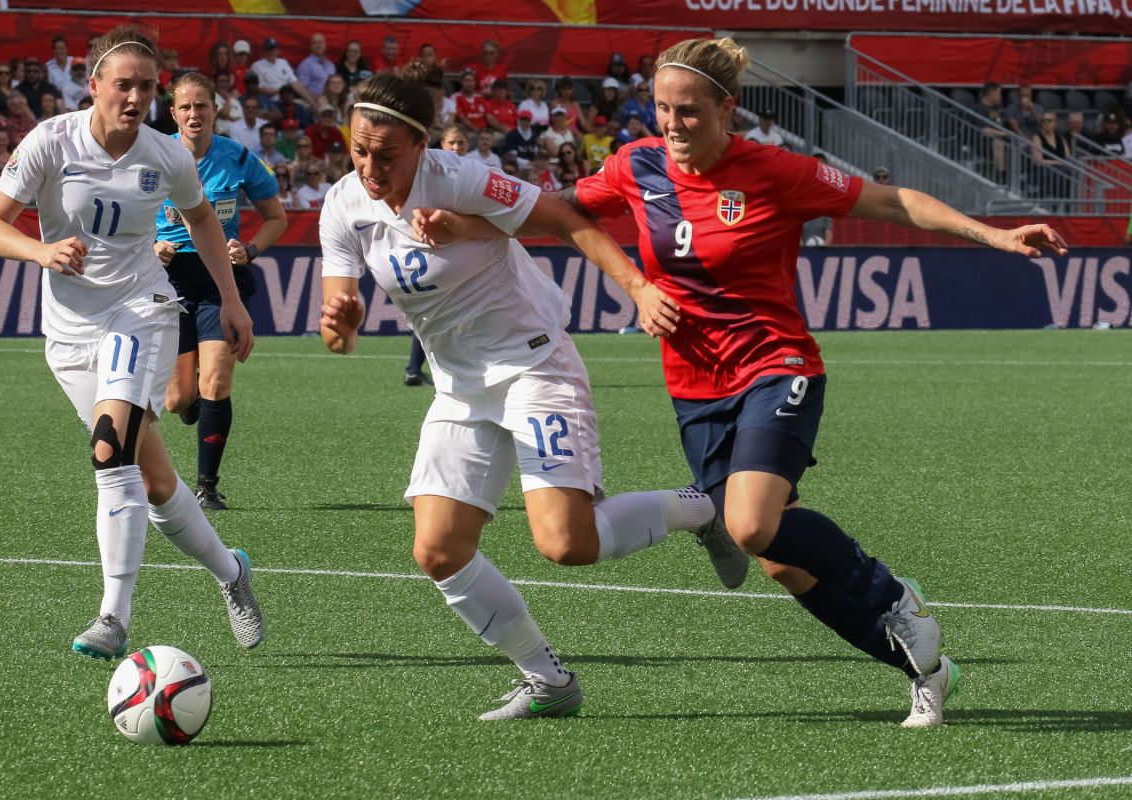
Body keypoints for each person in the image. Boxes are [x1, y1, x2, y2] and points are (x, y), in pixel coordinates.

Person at [425, 37, 1068, 728]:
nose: (671, 124)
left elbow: (891, 202)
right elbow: (552, 209)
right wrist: (465, 222)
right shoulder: (635, 164)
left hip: (775, 365)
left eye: (689, 112)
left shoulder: (773, 170)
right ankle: (926, 673)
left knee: (750, 523)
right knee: (778, 560)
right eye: (662, 109)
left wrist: (993, 235)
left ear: (728, 108)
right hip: (695, 387)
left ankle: (895, 597)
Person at [318, 61, 747, 721]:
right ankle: (548, 680)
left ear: (422, 148)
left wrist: (637, 289)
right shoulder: (343, 205)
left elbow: (568, 220)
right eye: (359, 152)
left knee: (566, 544)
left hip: (534, 366)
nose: (370, 169)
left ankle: (701, 509)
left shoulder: (460, 179)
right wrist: (339, 325)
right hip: (459, 389)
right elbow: (338, 328)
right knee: (437, 550)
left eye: (385, 155)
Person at [0, 24, 265, 661]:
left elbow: (203, 221)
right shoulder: (51, 141)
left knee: (111, 453)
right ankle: (231, 572)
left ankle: (113, 617)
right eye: (123, 85)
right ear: (93, 86)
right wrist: (42, 250)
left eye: (146, 87)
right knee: (156, 482)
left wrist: (234, 300)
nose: (134, 97)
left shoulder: (166, 155)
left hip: (141, 309)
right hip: (70, 332)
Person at [153, 71, 287, 509]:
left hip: (219, 282)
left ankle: (207, 486)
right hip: (169, 282)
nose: (195, 114)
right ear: (173, 114)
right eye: (186, 107)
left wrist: (249, 249)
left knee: (217, 378)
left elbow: (276, 218)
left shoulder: (239, 157)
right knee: (176, 399)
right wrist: (151, 245)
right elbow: (127, 220)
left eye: (202, 105)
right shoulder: (152, 156)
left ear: (216, 109)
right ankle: (187, 403)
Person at [972, 81, 1008, 180]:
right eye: (999, 93)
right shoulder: (980, 109)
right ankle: (1001, 173)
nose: (1000, 97)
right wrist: (1004, 134)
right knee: (998, 142)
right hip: (983, 142)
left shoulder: (998, 109)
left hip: (1004, 139)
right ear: (991, 92)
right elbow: (985, 130)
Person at [1031, 110, 1070, 199]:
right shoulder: (1037, 137)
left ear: (1055, 123)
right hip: (1043, 170)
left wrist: (1062, 164)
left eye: (1049, 120)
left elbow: (1068, 156)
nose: (1046, 123)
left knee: (1067, 172)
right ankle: (1059, 201)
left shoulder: (1061, 137)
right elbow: (1038, 161)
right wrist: (1057, 162)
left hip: (1061, 169)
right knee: (1061, 172)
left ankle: (1064, 201)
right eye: (1043, 120)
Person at [298, 32, 338, 99]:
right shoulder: (305, 65)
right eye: (315, 43)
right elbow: (303, 88)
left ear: (325, 45)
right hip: (314, 101)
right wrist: (316, 100)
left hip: (332, 100)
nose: (318, 45)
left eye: (320, 42)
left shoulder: (331, 65)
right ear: (310, 46)